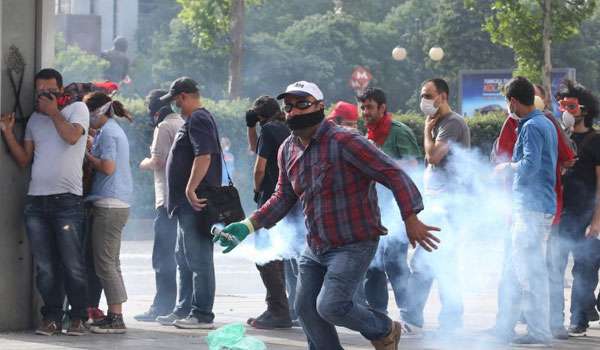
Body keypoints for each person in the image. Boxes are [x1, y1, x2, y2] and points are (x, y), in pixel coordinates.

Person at [214, 80, 440, 350]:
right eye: (289, 107)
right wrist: (248, 225)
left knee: (331, 305)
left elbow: (392, 172)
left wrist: (411, 217)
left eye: (302, 104)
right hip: (316, 244)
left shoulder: (346, 141)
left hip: (354, 242)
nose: (294, 111)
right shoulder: (287, 149)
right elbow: (283, 196)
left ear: (320, 106)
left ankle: (384, 329)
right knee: (306, 309)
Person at [0, 68, 89, 336]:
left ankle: (78, 318)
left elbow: (73, 137)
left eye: (50, 91)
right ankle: (50, 317)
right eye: (40, 91)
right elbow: (24, 159)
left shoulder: (76, 110)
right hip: (37, 202)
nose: (45, 95)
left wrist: (53, 112)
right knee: (45, 267)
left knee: (72, 264)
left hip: (68, 202)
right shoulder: (35, 121)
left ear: (60, 90)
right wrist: (7, 132)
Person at [492, 84, 576, 340]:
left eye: (508, 102)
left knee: (530, 272)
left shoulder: (531, 126)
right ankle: (536, 330)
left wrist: (507, 167)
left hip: (531, 208)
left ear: (514, 101)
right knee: (528, 270)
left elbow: (530, 165)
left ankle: (539, 333)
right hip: (538, 206)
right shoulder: (545, 123)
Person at [402, 78, 470, 335]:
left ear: (443, 96)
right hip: (438, 204)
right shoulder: (439, 123)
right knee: (438, 263)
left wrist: (426, 132)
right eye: (422, 95)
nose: (424, 100)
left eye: (428, 95)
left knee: (426, 262)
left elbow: (433, 156)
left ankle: (417, 319)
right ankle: (446, 320)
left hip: (450, 207)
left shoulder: (451, 123)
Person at [161, 77, 222, 329]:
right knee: (184, 258)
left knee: (199, 259)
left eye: (174, 99)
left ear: (183, 96)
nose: (174, 104)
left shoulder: (198, 118)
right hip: (185, 205)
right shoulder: (194, 120)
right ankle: (183, 308)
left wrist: (190, 186)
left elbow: (204, 154)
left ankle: (202, 314)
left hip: (195, 203)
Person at [357, 87, 421, 318]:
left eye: (370, 107)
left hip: (396, 210)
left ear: (383, 108)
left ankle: (411, 315)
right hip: (374, 211)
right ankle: (378, 316)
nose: (365, 112)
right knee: (372, 266)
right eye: (363, 107)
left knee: (394, 263)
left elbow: (413, 168)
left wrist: (384, 171)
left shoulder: (397, 132)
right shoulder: (367, 135)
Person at [245, 96, 299, 329]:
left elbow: (259, 167)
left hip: (272, 199)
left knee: (264, 255)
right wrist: (251, 127)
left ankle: (277, 310)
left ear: (259, 115)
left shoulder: (267, 130)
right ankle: (289, 307)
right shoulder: (286, 127)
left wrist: (257, 190)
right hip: (291, 198)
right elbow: (254, 147)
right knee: (284, 255)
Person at [82, 92, 133, 334]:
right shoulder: (111, 130)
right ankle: (116, 314)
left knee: (105, 264)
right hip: (117, 203)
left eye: (87, 114)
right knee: (112, 262)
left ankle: (116, 318)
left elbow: (109, 167)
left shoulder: (109, 133)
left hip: (109, 205)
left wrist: (87, 155)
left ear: (98, 113)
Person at [553, 80, 600, 337]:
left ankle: (579, 319)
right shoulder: (558, 138)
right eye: (561, 105)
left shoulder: (596, 141)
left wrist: (596, 220)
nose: (566, 111)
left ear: (585, 109)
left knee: (584, 270)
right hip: (560, 213)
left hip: (585, 215)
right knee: (555, 266)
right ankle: (555, 320)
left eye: (571, 105)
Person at [135, 90, 184, 322]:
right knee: (180, 254)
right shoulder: (181, 122)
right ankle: (181, 305)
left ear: (154, 109)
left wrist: (141, 163)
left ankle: (162, 305)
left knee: (162, 255)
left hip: (166, 199)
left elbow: (158, 161)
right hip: (181, 199)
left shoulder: (164, 127)